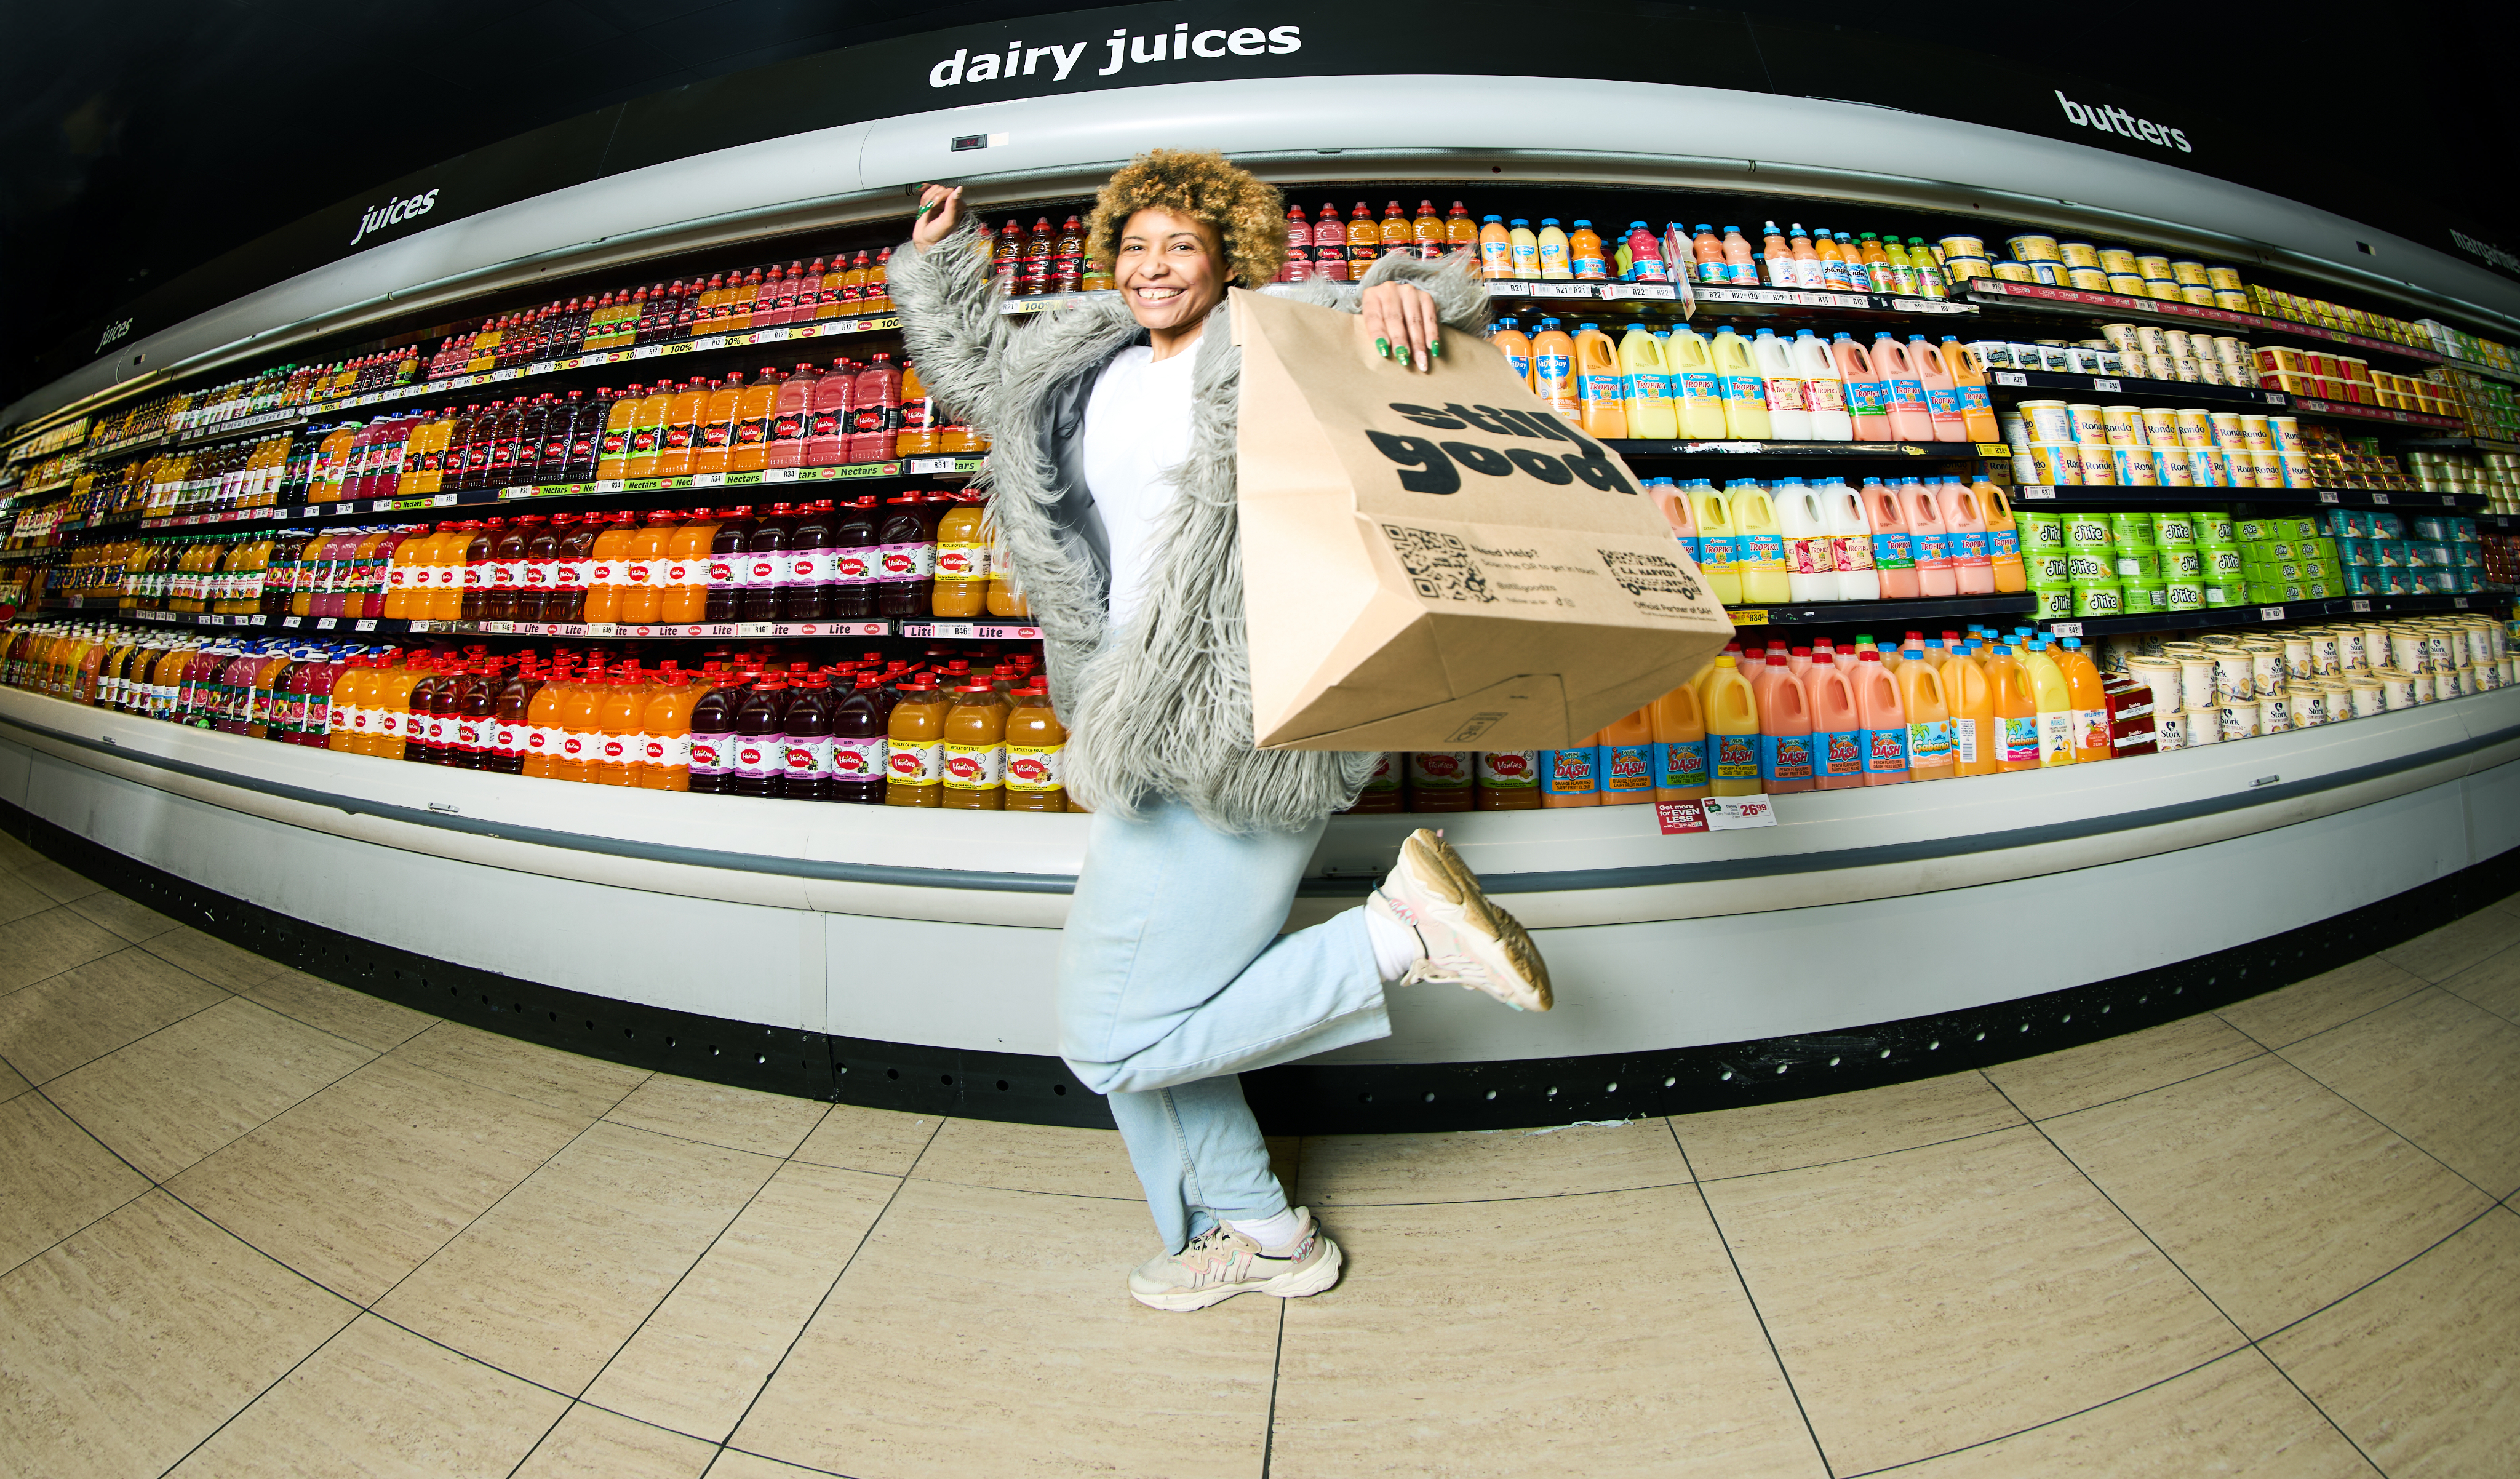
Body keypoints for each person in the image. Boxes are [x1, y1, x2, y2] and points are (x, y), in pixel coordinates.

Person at [892, 151, 1551, 1312]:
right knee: (1158, 1016)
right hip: (1125, 708)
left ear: (1226, 258)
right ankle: (1257, 1230)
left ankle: (1395, 939)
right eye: (1135, 247)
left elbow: (1430, 311)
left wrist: (1409, 294)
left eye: (1180, 247)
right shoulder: (1085, 355)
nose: (1154, 268)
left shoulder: (1280, 329)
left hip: (1244, 714)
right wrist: (945, 260)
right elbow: (972, 376)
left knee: (1109, 1040)